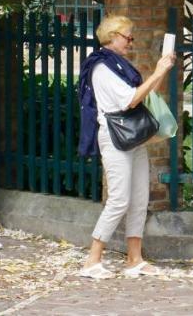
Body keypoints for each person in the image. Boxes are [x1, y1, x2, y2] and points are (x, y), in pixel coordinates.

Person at [76, 14, 175, 280]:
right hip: (116, 137)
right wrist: (157, 71)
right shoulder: (101, 67)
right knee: (119, 199)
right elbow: (130, 100)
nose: (131, 41)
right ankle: (92, 260)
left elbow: (147, 94)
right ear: (112, 37)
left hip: (132, 135)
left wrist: (162, 70)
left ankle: (135, 259)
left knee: (140, 198)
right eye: (127, 36)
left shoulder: (118, 65)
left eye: (131, 37)